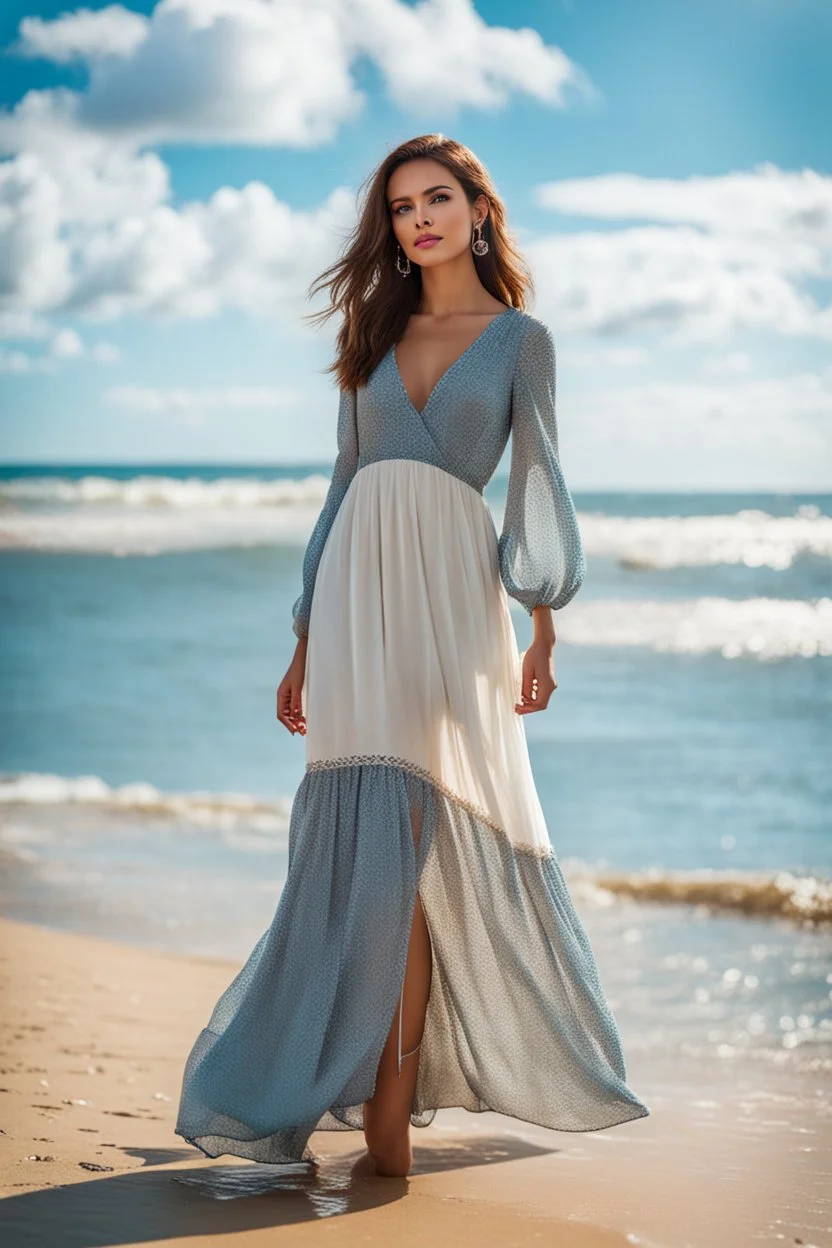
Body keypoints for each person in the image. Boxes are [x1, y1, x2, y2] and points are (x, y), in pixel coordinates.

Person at [174, 133, 650, 1180]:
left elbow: (537, 482)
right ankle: (375, 1101)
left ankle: (392, 1095)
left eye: (437, 199)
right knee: (367, 844)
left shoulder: (521, 340)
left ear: (478, 210)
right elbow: (342, 485)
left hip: (452, 600)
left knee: (424, 836)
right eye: (400, 207)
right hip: (355, 597)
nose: (419, 219)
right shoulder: (371, 329)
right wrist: (304, 636)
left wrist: (543, 625)